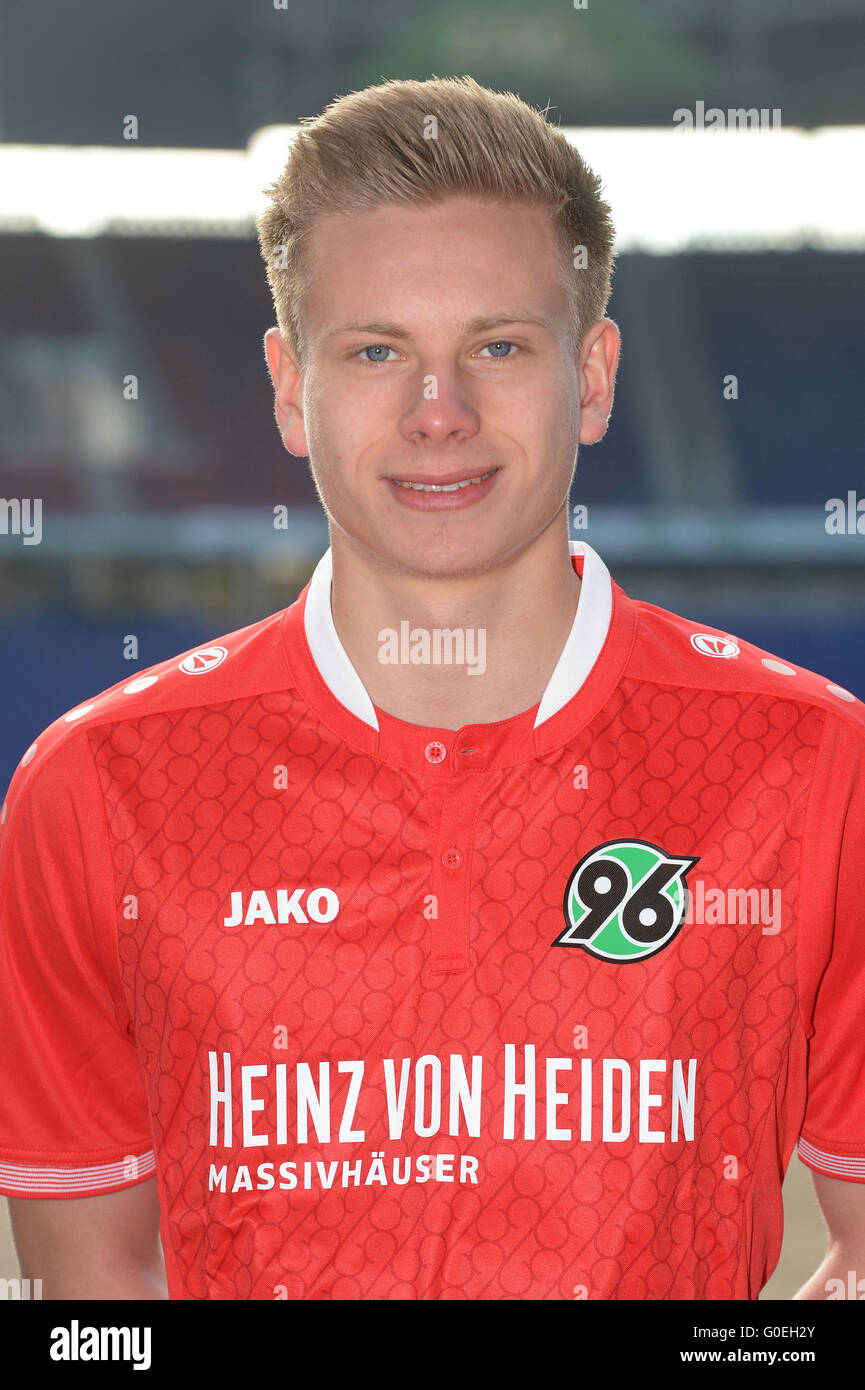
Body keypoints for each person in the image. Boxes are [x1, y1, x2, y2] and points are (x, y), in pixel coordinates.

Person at [1, 75, 863, 1301]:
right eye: (375, 351)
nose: (438, 412)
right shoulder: (95, 790)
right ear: (291, 387)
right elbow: (89, 1312)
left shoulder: (815, 770)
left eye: (498, 346)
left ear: (598, 373)